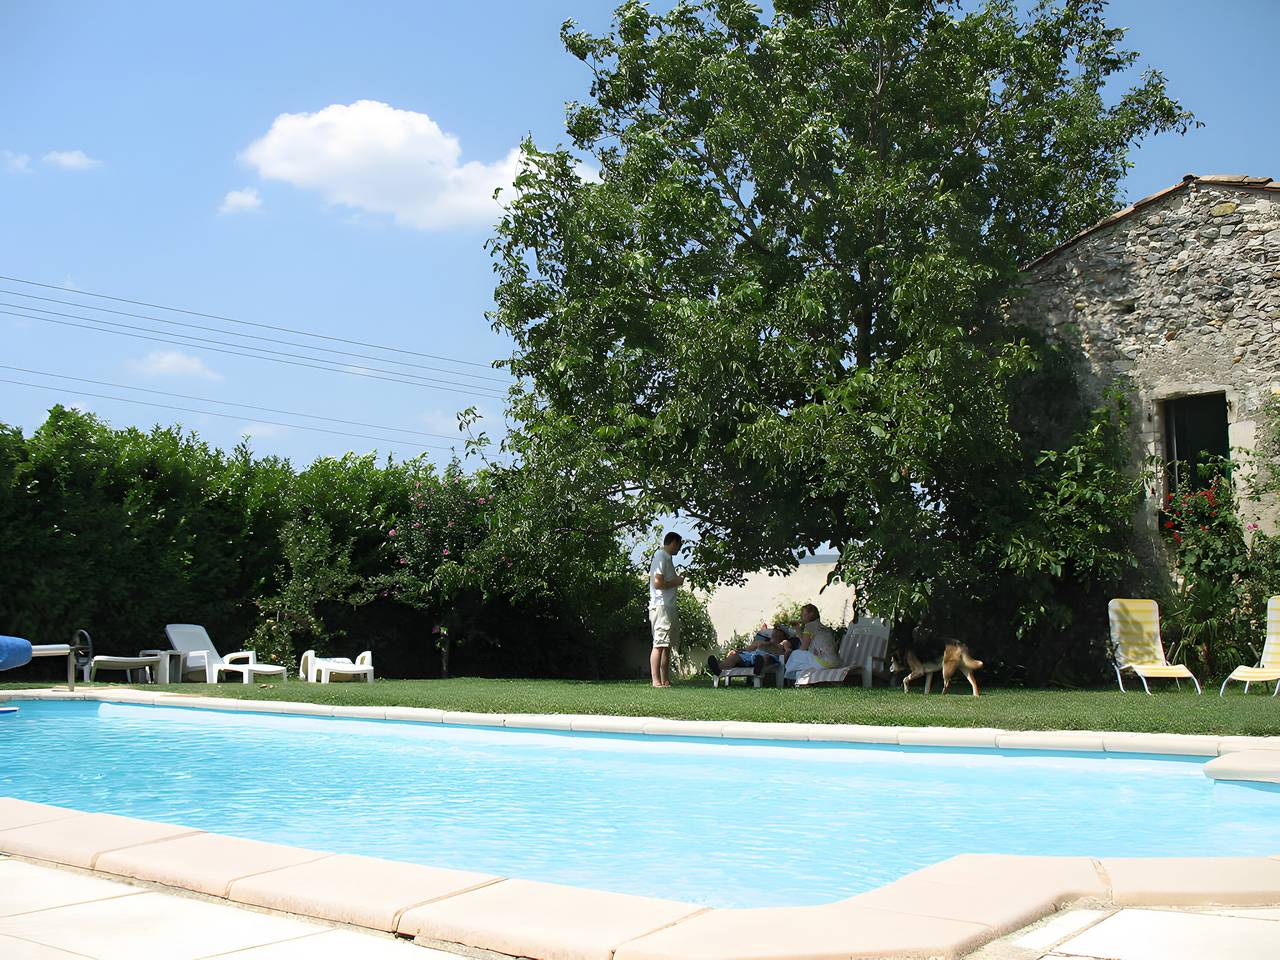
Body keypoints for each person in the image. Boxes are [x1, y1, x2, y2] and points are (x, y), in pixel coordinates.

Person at [648, 531, 685, 688]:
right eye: (679, 545)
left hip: (668, 606)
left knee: (667, 644)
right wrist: (676, 581)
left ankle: (665, 680)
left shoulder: (667, 558)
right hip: (661, 605)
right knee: (659, 643)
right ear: (673, 543)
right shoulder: (660, 556)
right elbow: (658, 583)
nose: (679, 549)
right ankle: (656, 681)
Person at [780, 603, 841, 676]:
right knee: (800, 656)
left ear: (811, 614)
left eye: (802, 613)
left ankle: (787, 677)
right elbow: (806, 644)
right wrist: (797, 628)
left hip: (824, 662)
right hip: (835, 662)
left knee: (794, 654)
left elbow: (803, 648)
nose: (800, 615)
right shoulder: (820, 626)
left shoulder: (809, 626)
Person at [707, 627, 787, 678]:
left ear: (783, 635)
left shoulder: (784, 643)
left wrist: (774, 646)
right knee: (734, 657)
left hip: (770, 658)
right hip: (752, 656)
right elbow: (747, 649)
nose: (775, 630)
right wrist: (737, 651)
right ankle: (718, 668)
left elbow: (787, 652)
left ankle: (758, 667)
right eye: (775, 629)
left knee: (765, 658)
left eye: (778, 630)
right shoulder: (760, 642)